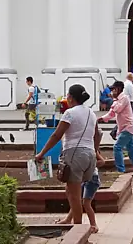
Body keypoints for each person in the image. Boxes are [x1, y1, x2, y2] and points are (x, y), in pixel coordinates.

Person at [35, 84, 98, 230]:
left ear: (70, 97)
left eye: (67, 95)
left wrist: (41, 153)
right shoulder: (92, 113)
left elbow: (57, 135)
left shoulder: (69, 113)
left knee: (75, 195)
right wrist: (96, 152)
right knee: (70, 190)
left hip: (75, 154)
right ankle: (69, 219)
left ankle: (78, 231)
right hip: (90, 156)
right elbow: (98, 134)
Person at [98, 80, 133, 177]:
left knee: (117, 147)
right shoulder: (118, 100)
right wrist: (102, 118)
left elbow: (117, 109)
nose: (112, 92)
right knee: (131, 151)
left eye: (114, 90)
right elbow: (111, 113)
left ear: (119, 89)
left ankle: (120, 170)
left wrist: (114, 101)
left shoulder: (124, 98)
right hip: (124, 128)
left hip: (127, 128)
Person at [80, 131, 109, 235]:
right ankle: (68, 219)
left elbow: (102, 161)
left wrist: (91, 164)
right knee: (77, 201)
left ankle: (94, 225)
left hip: (92, 179)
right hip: (83, 179)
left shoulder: (92, 149)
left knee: (86, 203)